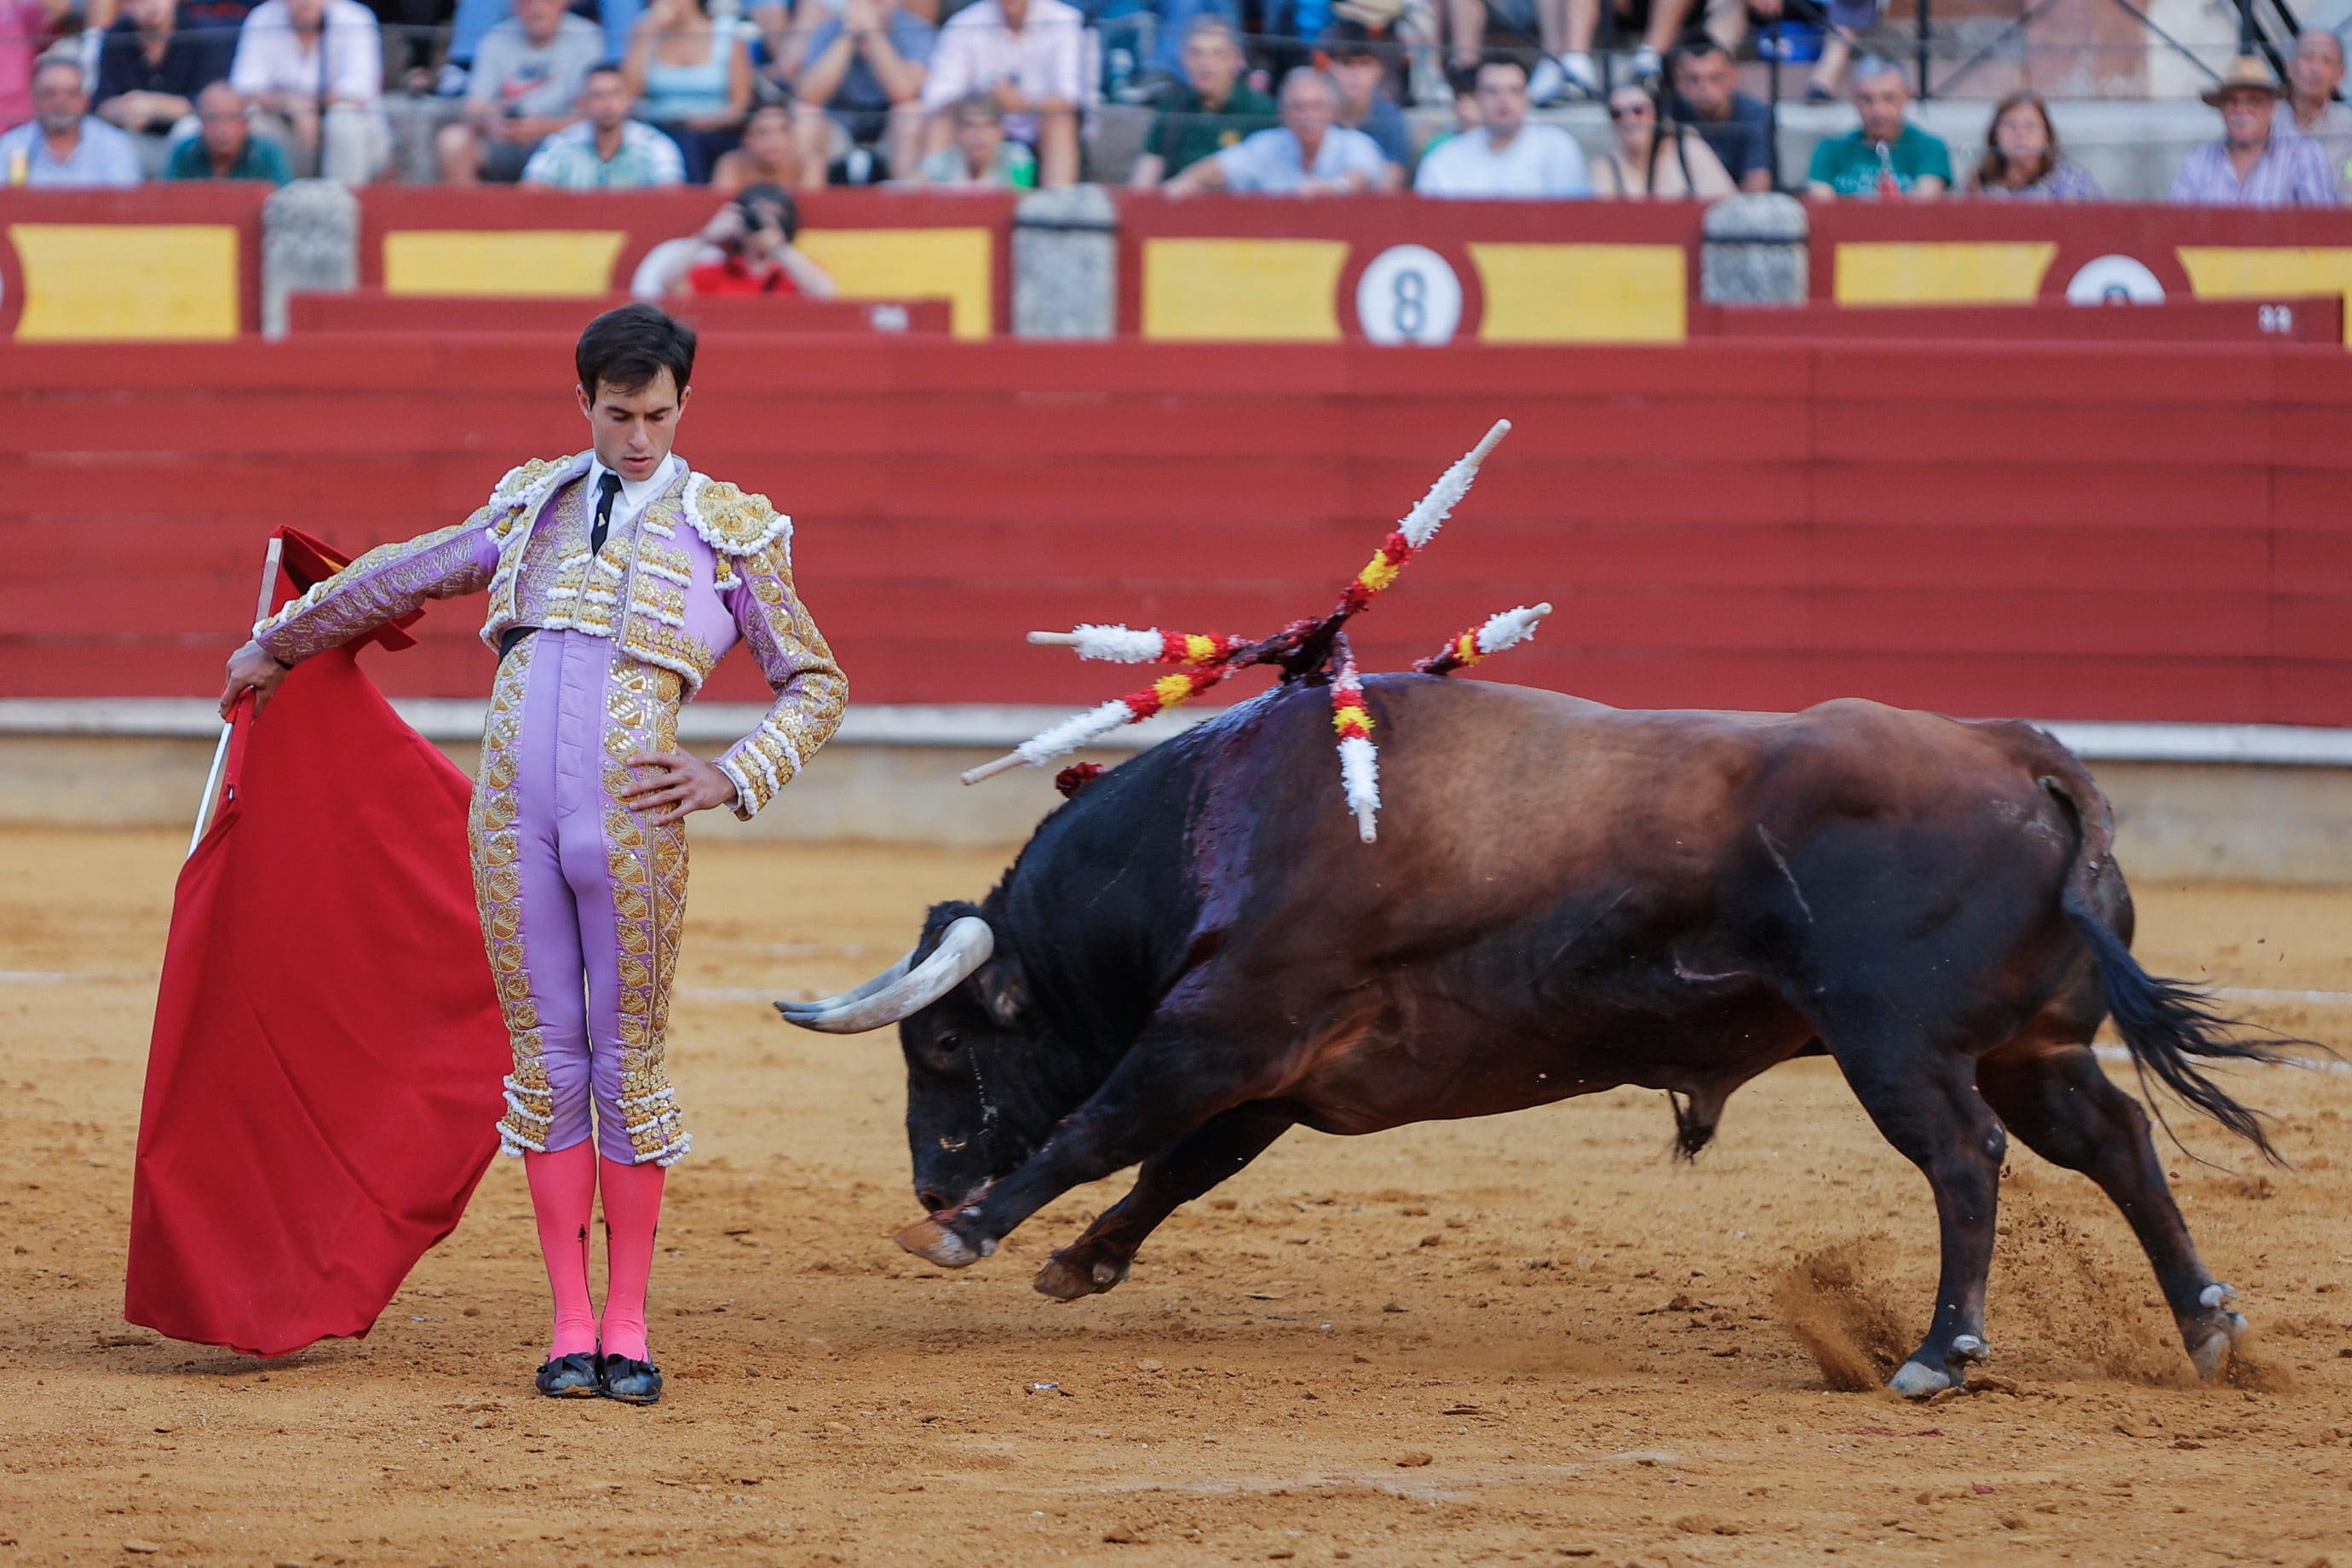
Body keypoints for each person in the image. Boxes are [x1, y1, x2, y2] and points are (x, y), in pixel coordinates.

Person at [218, 304, 846, 1408]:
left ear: (683, 404)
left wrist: (734, 774)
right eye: (618, 414)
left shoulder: (730, 528)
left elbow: (816, 678)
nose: (639, 436)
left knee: (627, 1065)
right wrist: (281, 641)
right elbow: (401, 574)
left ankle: (632, 1323)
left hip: (637, 825)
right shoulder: (533, 505)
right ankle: (570, 1323)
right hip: (511, 820)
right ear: (584, 404)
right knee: (550, 1064)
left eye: (656, 415)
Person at [917, 0, 1084, 188]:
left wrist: (1021, 103)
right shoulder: (964, 23)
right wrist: (988, 103)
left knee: (1060, 119)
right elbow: (938, 96)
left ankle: (1059, 206)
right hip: (979, 124)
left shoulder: (1065, 20)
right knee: (941, 119)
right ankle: (926, 202)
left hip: (1036, 127)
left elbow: (1070, 97)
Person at [435, 0, 602, 185]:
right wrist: (491, 120)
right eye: (527, 2)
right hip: (506, 140)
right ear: (513, 5)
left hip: (560, 141)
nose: (537, 8)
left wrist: (542, 127)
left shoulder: (585, 37)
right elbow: (473, 109)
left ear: (564, 3)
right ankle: (470, 213)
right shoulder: (497, 37)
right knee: (453, 141)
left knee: (584, 147)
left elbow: (592, 116)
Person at [1164, 64, 1395, 195]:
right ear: (1283, 114)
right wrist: (1187, 180)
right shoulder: (1267, 145)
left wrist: (1333, 188)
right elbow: (1222, 165)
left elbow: (1362, 173)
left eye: (1317, 106)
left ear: (1333, 112)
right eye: (1298, 107)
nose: (1308, 116)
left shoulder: (1354, 143)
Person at [227, 0, 389, 181]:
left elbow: (359, 89)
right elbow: (243, 88)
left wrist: (310, 107)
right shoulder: (263, 17)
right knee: (251, 118)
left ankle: (340, 205)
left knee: (343, 121)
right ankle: (273, 204)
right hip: (289, 131)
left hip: (355, 141)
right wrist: (291, 103)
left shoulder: (356, 17)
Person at [787, 0, 932, 187]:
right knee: (805, 114)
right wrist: (847, 35)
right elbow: (810, 95)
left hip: (889, 130)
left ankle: (906, 200)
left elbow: (905, 91)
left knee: (910, 111)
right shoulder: (828, 30)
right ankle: (811, 202)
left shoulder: (917, 30)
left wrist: (873, 34)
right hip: (840, 127)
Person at [2172, 52, 2336, 208]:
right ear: (2221, 108)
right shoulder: (2198, 162)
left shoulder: (2303, 155)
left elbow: (2322, 228)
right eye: (2232, 102)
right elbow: (2177, 228)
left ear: (2272, 107)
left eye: (2254, 101)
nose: (2242, 110)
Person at [1129, 14, 1273, 189]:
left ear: (1236, 59)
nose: (1206, 63)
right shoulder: (1171, 107)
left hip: (1243, 211)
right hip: (1176, 210)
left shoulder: (1263, 111)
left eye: (1217, 53)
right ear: (1184, 59)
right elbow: (1144, 180)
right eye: (1197, 53)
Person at [1413, 57, 1588, 196]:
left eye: (1514, 90)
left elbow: (1571, 220)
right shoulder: (1443, 160)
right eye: (1492, 91)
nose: (1503, 100)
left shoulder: (1558, 147)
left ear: (1527, 98)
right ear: (1477, 98)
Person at [622, 0, 754, 182]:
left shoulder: (727, 32)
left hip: (715, 130)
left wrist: (709, 121)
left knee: (689, 141)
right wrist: (648, 32)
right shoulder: (646, 28)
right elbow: (629, 91)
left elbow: (741, 101)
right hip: (659, 127)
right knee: (672, 142)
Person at [95, 0, 231, 164]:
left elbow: (210, 102)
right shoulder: (116, 36)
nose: (153, 4)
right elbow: (99, 103)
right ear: (126, 5)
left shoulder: (199, 34)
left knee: (189, 129)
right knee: (105, 137)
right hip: (135, 141)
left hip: (189, 145)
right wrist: (125, 108)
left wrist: (152, 106)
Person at [649, 185, 840, 296]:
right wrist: (705, 238)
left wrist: (779, 248)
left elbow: (825, 293)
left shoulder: (796, 270)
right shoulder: (717, 271)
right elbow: (670, 287)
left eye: (774, 218)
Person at [1803, 54, 1948, 198]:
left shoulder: (1930, 148)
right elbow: (1821, 207)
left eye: (1889, 98)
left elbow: (1924, 208)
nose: (1878, 110)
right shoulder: (1830, 149)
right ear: (1854, 99)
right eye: (1867, 99)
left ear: (1907, 96)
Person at [521, 62, 687, 187]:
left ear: (628, 100)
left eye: (615, 94)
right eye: (598, 96)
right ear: (584, 102)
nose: (607, 104)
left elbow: (671, 198)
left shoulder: (655, 145)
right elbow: (530, 192)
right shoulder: (561, 144)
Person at [0, 55, 144, 185]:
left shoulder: (113, 145)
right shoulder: (11, 146)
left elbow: (126, 206)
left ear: (85, 99)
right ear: (34, 97)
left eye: (71, 93)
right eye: (49, 93)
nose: (60, 102)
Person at [1667, 37, 1772, 192]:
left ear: (1732, 77)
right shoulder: (1669, 114)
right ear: (1678, 81)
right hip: (1684, 207)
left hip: (1738, 210)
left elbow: (1757, 184)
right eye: (1693, 79)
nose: (1704, 88)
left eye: (1714, 78)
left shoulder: (1755, 115)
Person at [1590, 82, 1730, 197]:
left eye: (1638, 111)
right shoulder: (1605, 167)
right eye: (1617, 114)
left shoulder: (1688, 149)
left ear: (1655, 114)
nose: (1629, 120)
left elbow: (1724, 205)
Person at [1968, 89, 2100, 200]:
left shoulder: (2070, 181)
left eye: (2030, 126)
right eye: (2010, 125)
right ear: (1996, 133)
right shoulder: (1981, 181)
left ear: (2046, 134)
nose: (2020, 133)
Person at [1320, 19, 1409, 173]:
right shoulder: (1315, 113)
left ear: (1378, 69)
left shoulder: (1390, 119)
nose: (1354, 74)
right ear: (1330, 67)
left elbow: (1390, 185)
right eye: (1346, 63)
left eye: (1364, 64)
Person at [164, 77, 291, 177]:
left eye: (231, 118)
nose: (222, 129)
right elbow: (166, 200)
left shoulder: (268, 154)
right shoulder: (184, 152)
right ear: (201, 123)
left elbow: (284, 202)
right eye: (213, 118)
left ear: (245, 124)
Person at [2275, 28, 2352, 193]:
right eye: (2308, 58)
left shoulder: (2349, 127)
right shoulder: (2266, 121)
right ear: (2289, 66)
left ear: (2341, 75)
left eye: (2327, 61)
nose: (2316, 69)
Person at [917, 89, 1036, 185]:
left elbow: (1022, 201)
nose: (979, 134)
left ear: (1001, 131)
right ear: (958, 131)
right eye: (970, 125)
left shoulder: (1017, 159)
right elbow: (910, 193)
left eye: (988, 125)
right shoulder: (941, 162)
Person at [711, 100, 800, 190]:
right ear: (746, 138)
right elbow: (721, 202)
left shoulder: (804, 164)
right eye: (763, 132)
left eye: (783, 130)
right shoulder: (731, 165)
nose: (774, 140)